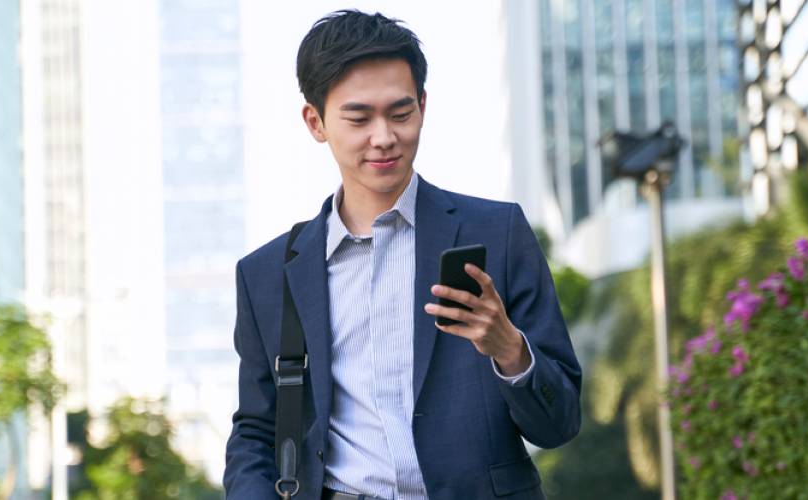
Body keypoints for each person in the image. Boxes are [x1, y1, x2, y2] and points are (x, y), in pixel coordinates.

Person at [224, 10, 581, 500]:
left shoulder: (497, 233)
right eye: (358, 117)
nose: (385, 137)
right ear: (315, 121)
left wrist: (509, 349)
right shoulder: (267, 275)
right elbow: (257, 433)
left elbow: (560, 423)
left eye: (400, 113)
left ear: (423, 106)